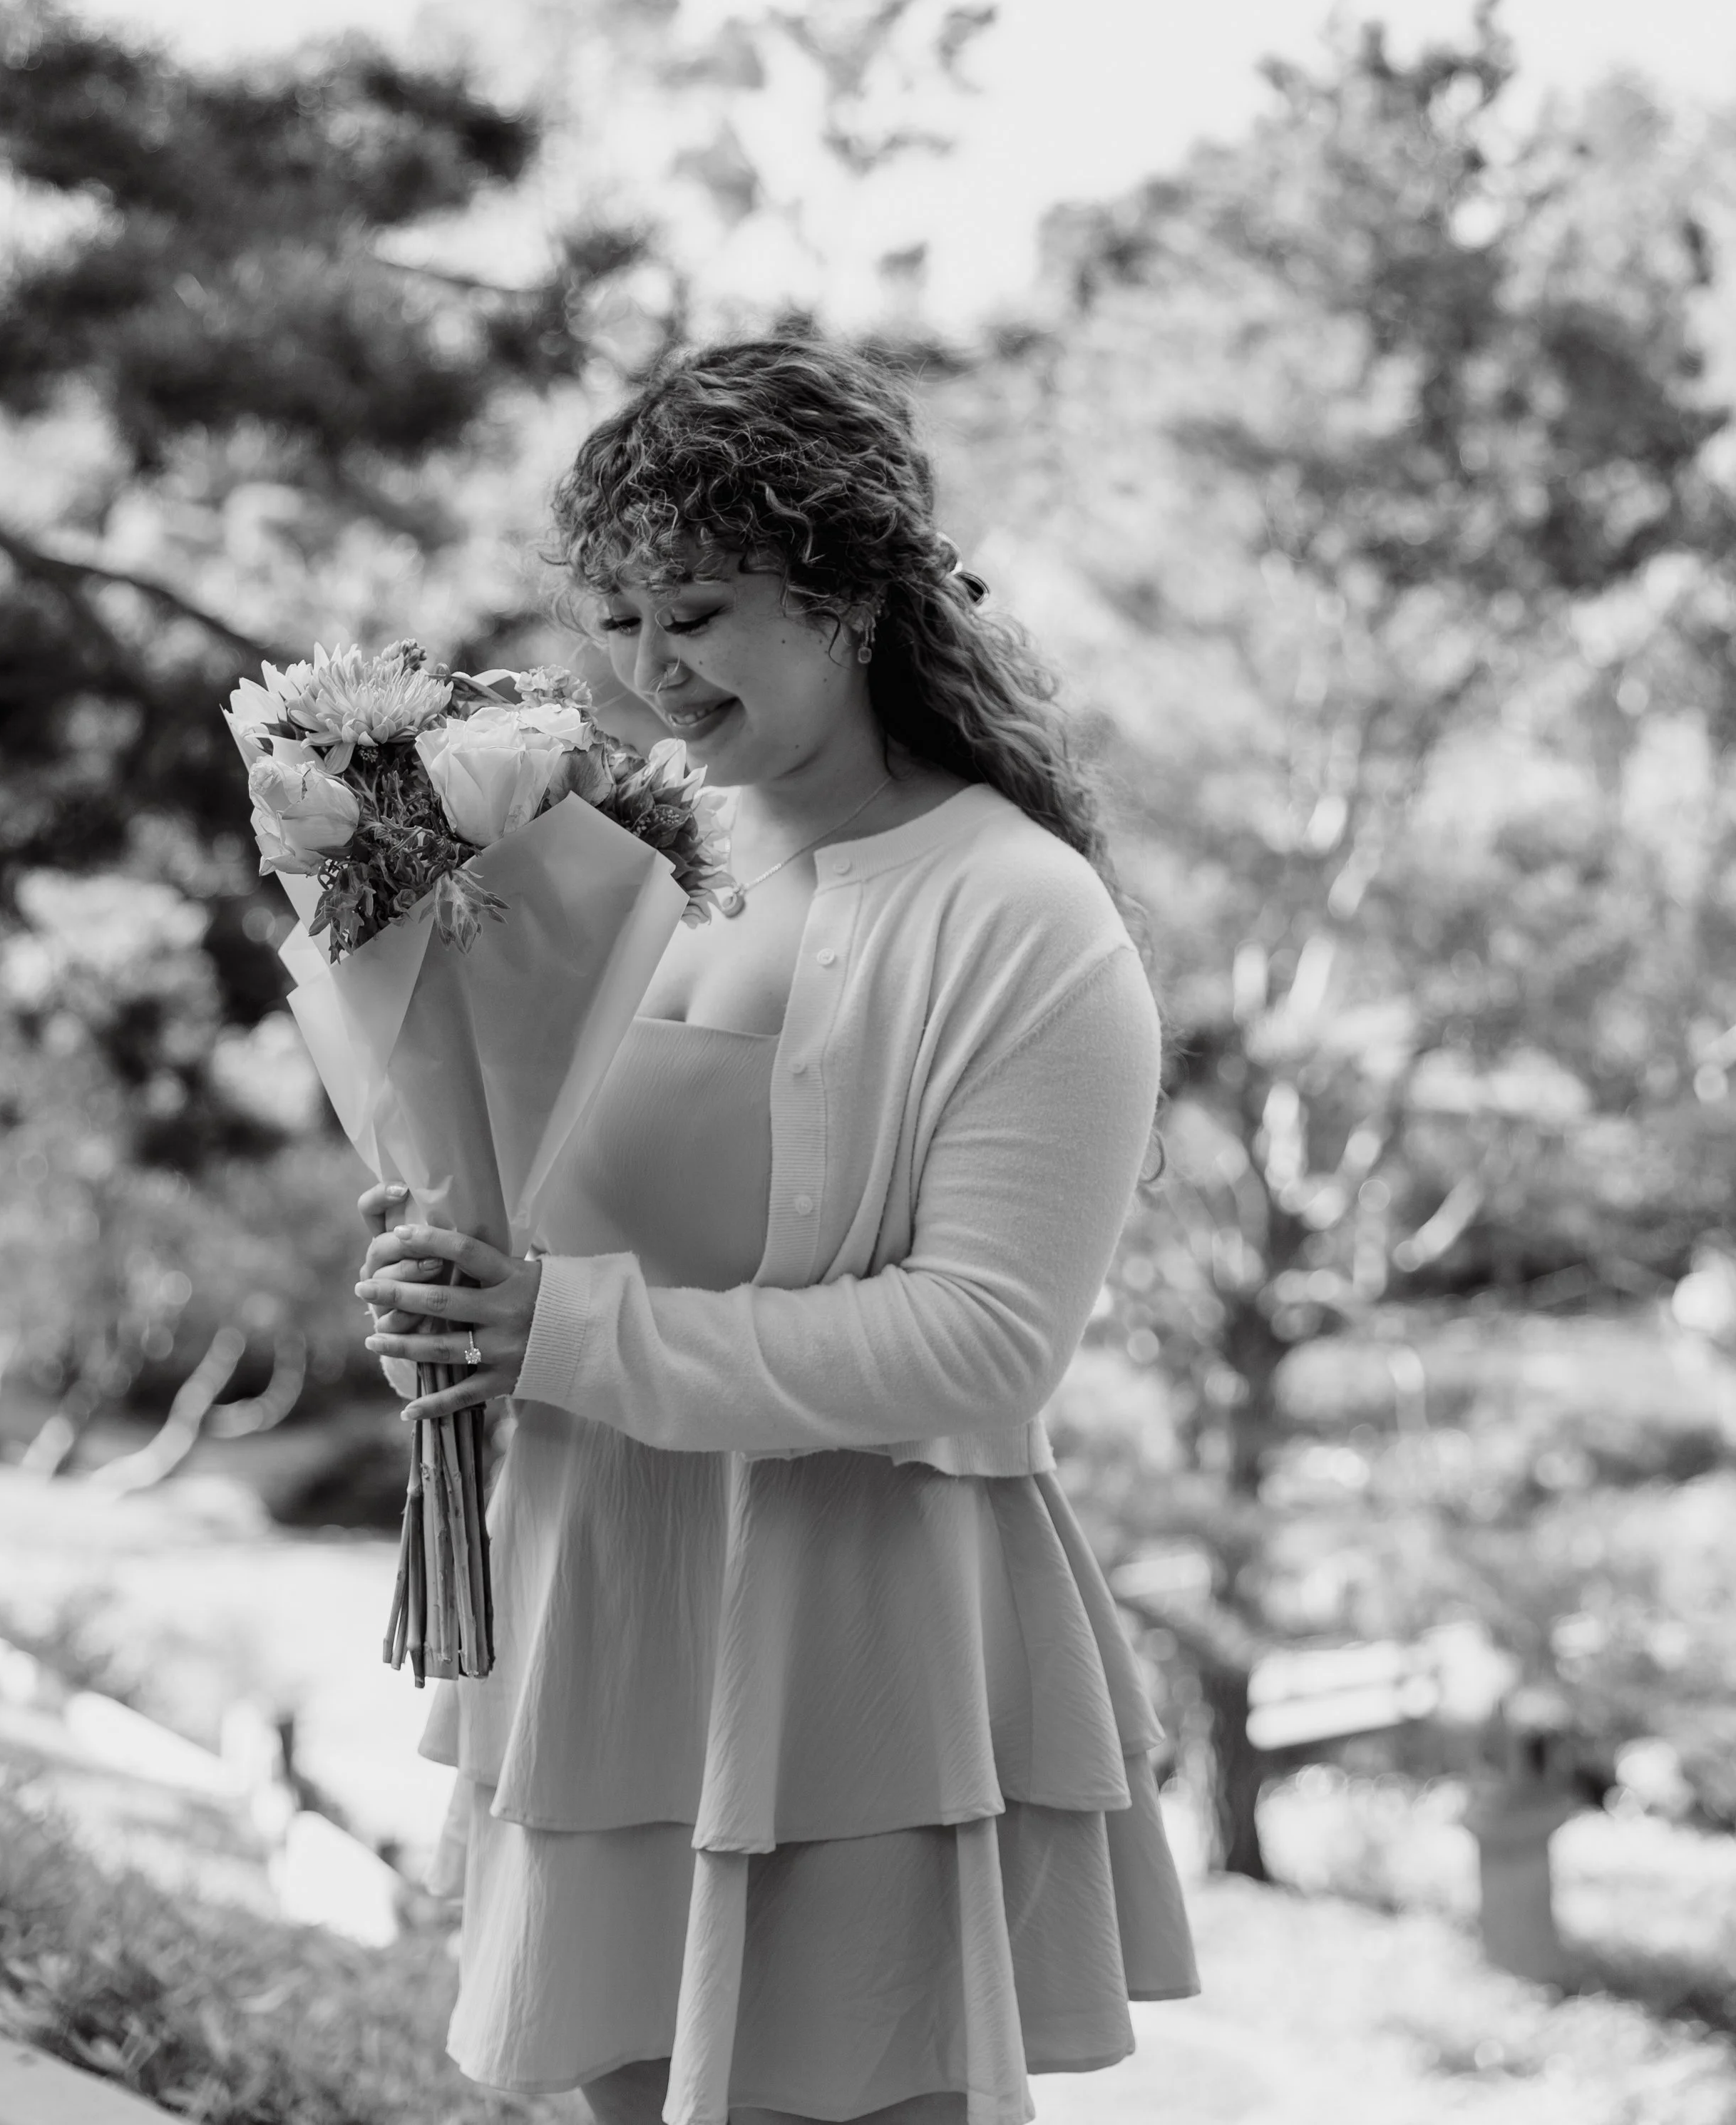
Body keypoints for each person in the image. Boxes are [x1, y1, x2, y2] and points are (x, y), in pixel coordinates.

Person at [355, 335, 1198, 2125]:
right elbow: (550, 1219)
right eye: (619, 617)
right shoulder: (629, 867)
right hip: (603, 1594)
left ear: (856, 600)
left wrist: (557, 1331)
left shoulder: (1023, 918)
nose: (651, 671)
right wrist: (451, 1295)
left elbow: (984, 1341)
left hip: (858, 1649)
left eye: (706, 609)